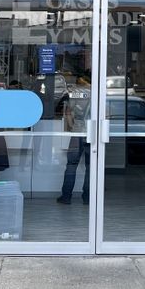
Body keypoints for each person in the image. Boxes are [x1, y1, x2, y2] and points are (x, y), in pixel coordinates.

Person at [57, 76, 91, 205]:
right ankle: (87, 197)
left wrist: (72, 127)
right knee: (91, 167)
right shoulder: (97, 93)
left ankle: (66, 196)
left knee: (71, 165)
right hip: (92, 133)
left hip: (78, 132)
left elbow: (68, 113)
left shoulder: (76, 94)